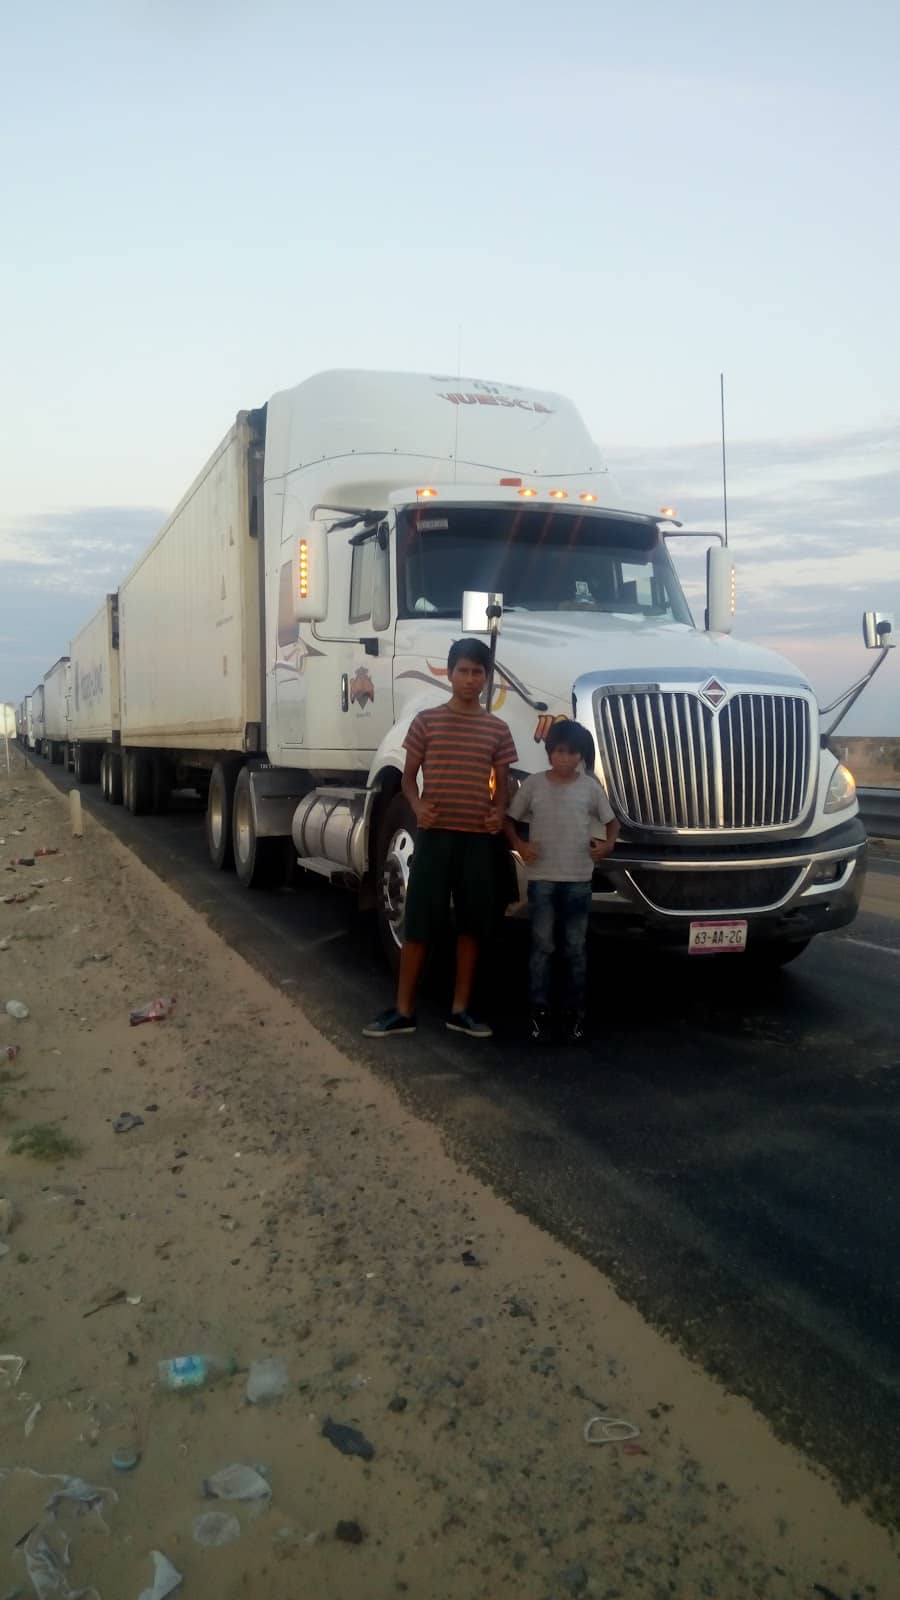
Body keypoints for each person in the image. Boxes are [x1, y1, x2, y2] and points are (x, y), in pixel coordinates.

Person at [364, 638, 518, 1039]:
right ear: (449, 674)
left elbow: (502, 787)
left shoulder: (498, 730)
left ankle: (460, 1011)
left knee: (472, 927)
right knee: (418, 923)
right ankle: (403, 1010)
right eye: (463, 671)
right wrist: (417, 809)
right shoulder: (426, 723)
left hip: (477, 842)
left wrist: (498, 812)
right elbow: (407, 777)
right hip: (434, 838)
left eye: (477, 672)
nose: (470, 679)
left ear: (486, 679)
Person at [505, 719, 619, 1044]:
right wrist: (520, 845)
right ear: (548, 752)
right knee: (542, 947)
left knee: (575, 949)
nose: (564, 758)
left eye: (571, 753)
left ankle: (574, 1013)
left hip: (578, 880)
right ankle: (538, 1011)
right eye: (558, 751)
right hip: (542, 880)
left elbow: (611, 824)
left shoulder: (590, 789)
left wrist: (608, 846)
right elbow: (509, 820)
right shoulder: (534, 786)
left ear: (580, 756)